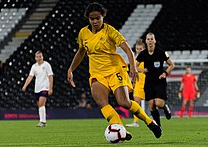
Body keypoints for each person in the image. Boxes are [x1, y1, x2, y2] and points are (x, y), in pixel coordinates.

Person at [67, 2, 161, 140]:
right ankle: (120, 128)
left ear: (102, 17)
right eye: (92, 18)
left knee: (124, 102)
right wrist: (71, 69)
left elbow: (128, 49)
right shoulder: (83, 33)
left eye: (97, 18)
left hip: (115, 70)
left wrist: (133, 67)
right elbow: (81, 51)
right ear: (88, 18)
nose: (95, 21)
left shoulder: (109, 31)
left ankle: (149, 121)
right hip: (97, 73)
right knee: (101, 101)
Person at [136, 32, 175, 127]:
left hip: (159, 81)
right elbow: (134, 66)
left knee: (158, 103)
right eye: (148, 39)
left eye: (151, 39)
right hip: (149, 82)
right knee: (151, 105)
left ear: (155, 40)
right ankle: (158, 125)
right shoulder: (143, 54)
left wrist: (165, 73)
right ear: (146, 41)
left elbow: (172, 64)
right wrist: (142, 70)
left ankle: (165, 108)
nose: (150, 41)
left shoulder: (161, 52)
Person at [22, 51, 53, 127]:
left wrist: (50, 88)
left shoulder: (46, 65)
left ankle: (42, 121)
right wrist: (25, 85)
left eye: (40, 56)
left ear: (42, 57)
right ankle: (43, 122)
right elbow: (30, 77)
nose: (39, 58)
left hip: (44, 87)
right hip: (37, 88)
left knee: (41, 103)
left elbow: (50, 77)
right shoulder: (34, 66)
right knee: (40, 105)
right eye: (37, 57)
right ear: (35, 58)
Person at [126, 38, 146, 127]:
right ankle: (135, 122)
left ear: (144, 49)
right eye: (137, 49)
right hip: (138, 83)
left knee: (153, 103)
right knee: (136, 102)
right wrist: (133, 83)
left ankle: (154, 120)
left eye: (140, 49)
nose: (138, 50)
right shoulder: (134, 59)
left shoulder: (147, 58)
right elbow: (134, 70)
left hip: (147, 83)